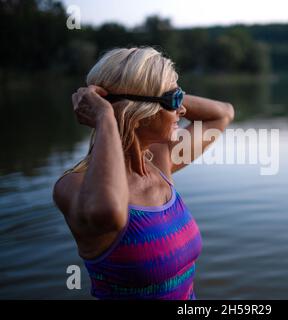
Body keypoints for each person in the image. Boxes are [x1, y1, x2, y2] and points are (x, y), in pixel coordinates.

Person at [52, 47, 234, 299]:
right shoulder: (73, 186)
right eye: (173, 101)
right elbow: (111, 212)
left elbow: (222, 114)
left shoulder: (160, 161)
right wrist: (106, 116)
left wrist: (169, 94)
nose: (182, 110)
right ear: (137, 112)